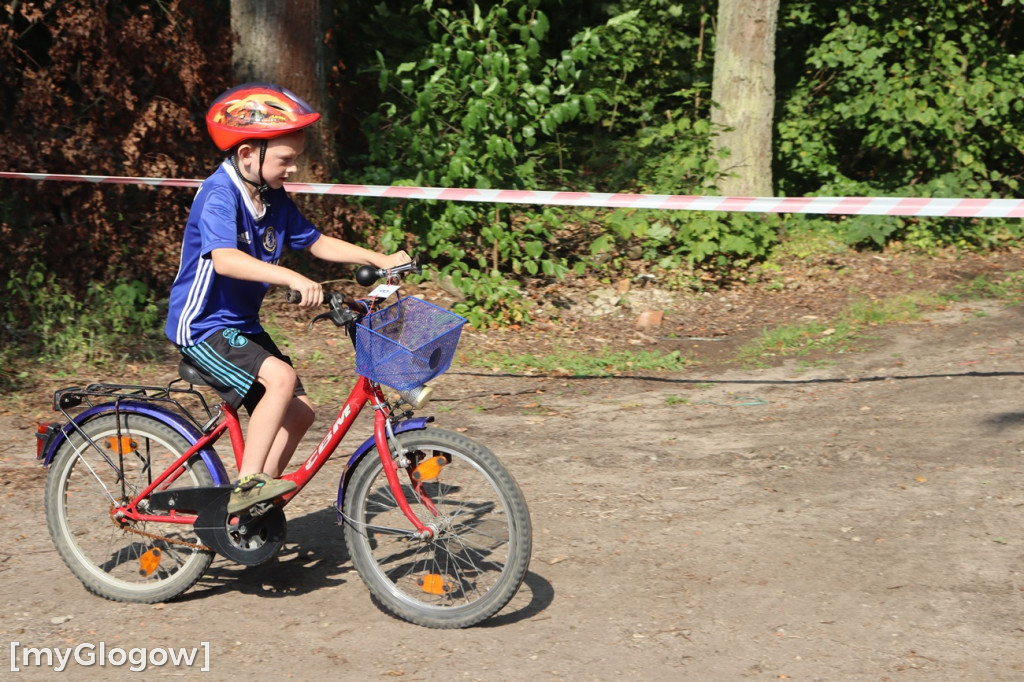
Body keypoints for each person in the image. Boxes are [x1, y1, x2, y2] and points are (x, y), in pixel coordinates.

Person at [165, 82, 410, 514]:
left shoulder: (271, 197)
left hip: (241, 325)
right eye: (286, 159)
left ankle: (255, 509)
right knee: (278, 379)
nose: (293, 168)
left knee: (300, 414)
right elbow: (225, 260)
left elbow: (317, 242)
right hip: (202, 325)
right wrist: (290, 277)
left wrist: (382, 258)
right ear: (247, 155)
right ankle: (248, 487)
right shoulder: (219, 195)